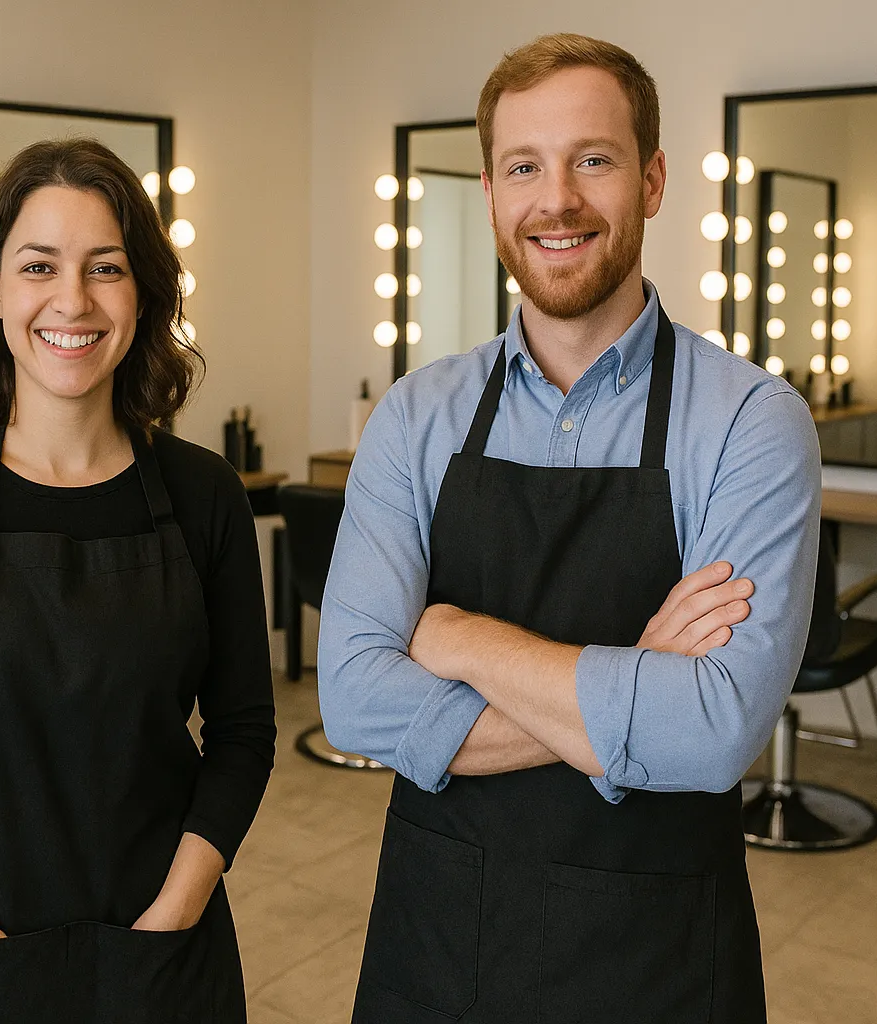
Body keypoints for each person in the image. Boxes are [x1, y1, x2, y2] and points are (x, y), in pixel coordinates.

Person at [318, 33, 821, 1023]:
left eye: (593, 158)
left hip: (660, 953)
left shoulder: (750, 421)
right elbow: (354, 698)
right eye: (524, 167)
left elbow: (716, 732)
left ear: (654, 179)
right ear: (492, 191)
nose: (558, 200)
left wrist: (457, 637)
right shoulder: (418, 416)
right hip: (440, 940)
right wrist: (636, 679)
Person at [0, 138, 275, 1023]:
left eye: (104, 267)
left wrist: (174, 911)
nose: (71, 300)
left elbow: (242, 732)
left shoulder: (205, 495)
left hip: (161, 946)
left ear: (142, 293)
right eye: (39, 265)